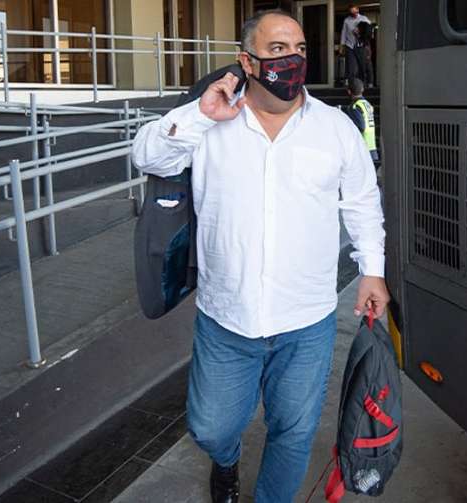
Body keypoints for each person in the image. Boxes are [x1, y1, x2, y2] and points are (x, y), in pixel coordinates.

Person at [132, 9, 389, 503]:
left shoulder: (335, 128)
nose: (291, 60)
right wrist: (199, 114)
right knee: (209, 427)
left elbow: (361, 200)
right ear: (246, 61)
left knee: (292, 432)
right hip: (227, 318)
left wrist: (371, 271)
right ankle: (225, 462)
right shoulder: (211, 121)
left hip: (306, 320)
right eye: (276, 50)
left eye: (298, 49)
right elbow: (147, 156)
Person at [344, 77, 379, 168]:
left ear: (349, 92)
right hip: (371, 147)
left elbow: (361, 126)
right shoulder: (367, 104)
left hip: (362, 149)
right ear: (362, 89)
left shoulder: (355, 106)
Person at [339, 4, 371, 85]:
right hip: (349, 45)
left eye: (354, 11)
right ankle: (351, 83)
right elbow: (344, 33)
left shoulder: (364, 18)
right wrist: (342, 45)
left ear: (357, 10)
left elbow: (368, 29)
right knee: (351, 65)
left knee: (362, 64)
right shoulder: (347, 20)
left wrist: (360, 30)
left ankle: (362, 82)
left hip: (360, 45)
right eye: (351, 11)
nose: (353, 13)